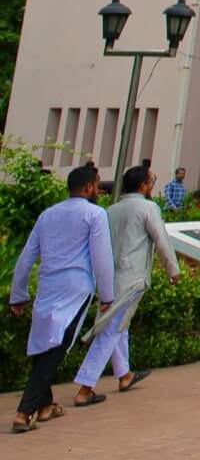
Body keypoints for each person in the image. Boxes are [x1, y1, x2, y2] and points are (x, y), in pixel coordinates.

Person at [10, 166, 115, 434]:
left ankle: (45, 406)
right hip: (75, 289)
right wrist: (107, 294)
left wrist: (18, 293)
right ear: (89, 188)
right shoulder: (95, 214)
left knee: (44, 345)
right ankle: (25, 411)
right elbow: (102, 257)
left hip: (48, 287)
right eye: (97, 185)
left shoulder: (48, 215)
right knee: (54, 349)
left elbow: (27, 256)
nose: (99, 190)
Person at [73, 166, 179, 407]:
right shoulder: (147, 208)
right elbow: (161, 239)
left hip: (109, 278)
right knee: (111, 329)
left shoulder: (111, 210)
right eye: (150, 181)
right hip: (131, 278)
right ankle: (85, 387)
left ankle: (124, 374)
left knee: (119, 325)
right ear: (143, 186)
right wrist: (173, 270)